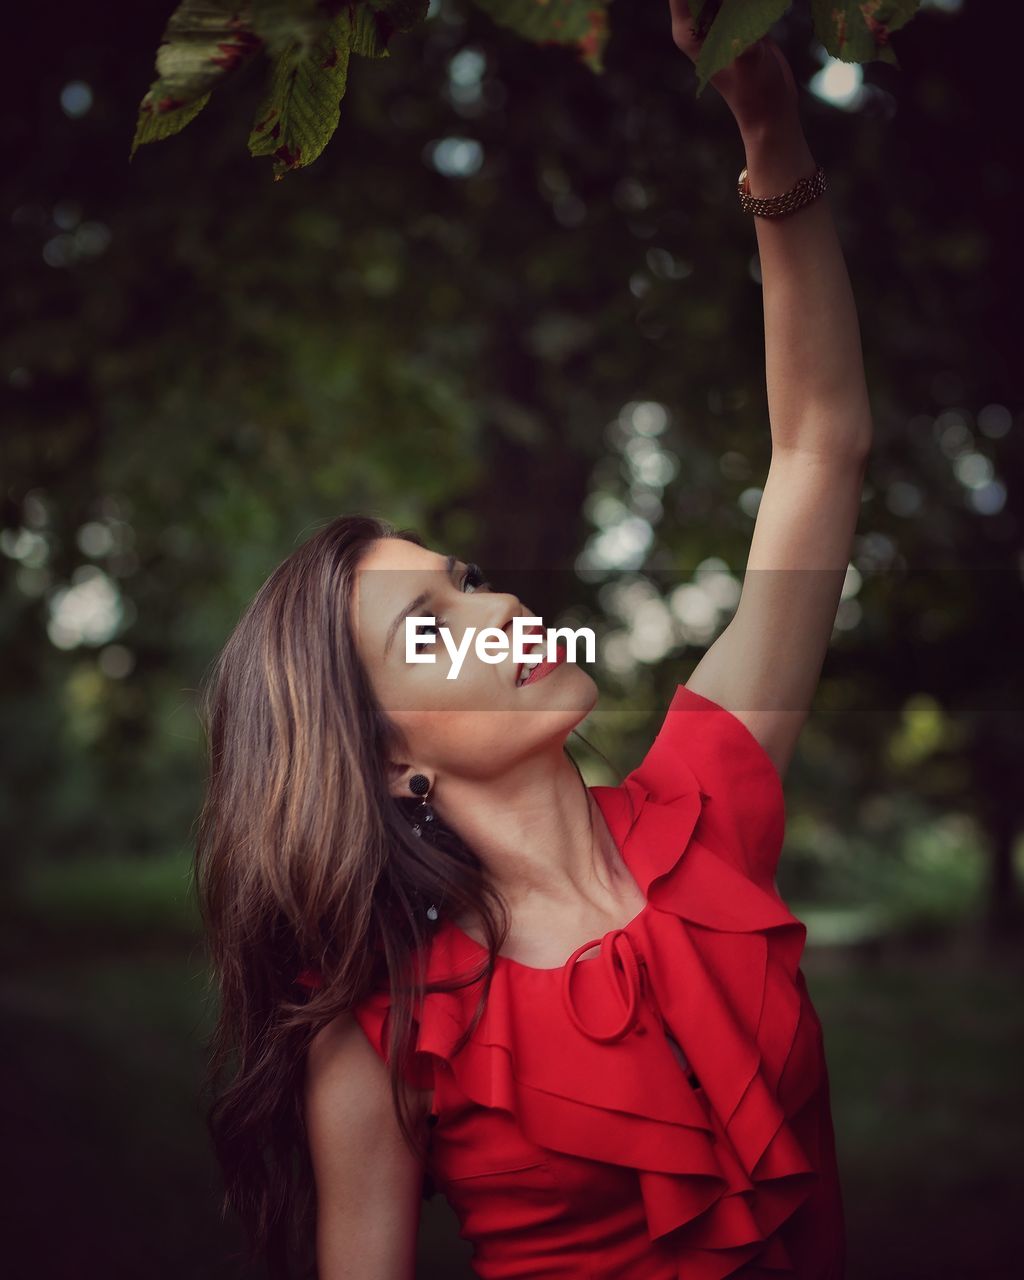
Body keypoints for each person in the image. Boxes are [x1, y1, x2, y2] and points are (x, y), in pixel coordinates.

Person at [195, 3, 871, 1277]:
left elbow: (818, 447)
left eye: (473, 581)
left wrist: (770, 128)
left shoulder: (706, 811)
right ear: (388, 759)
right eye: (431, 625)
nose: (501, 609)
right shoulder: (387, 1026)